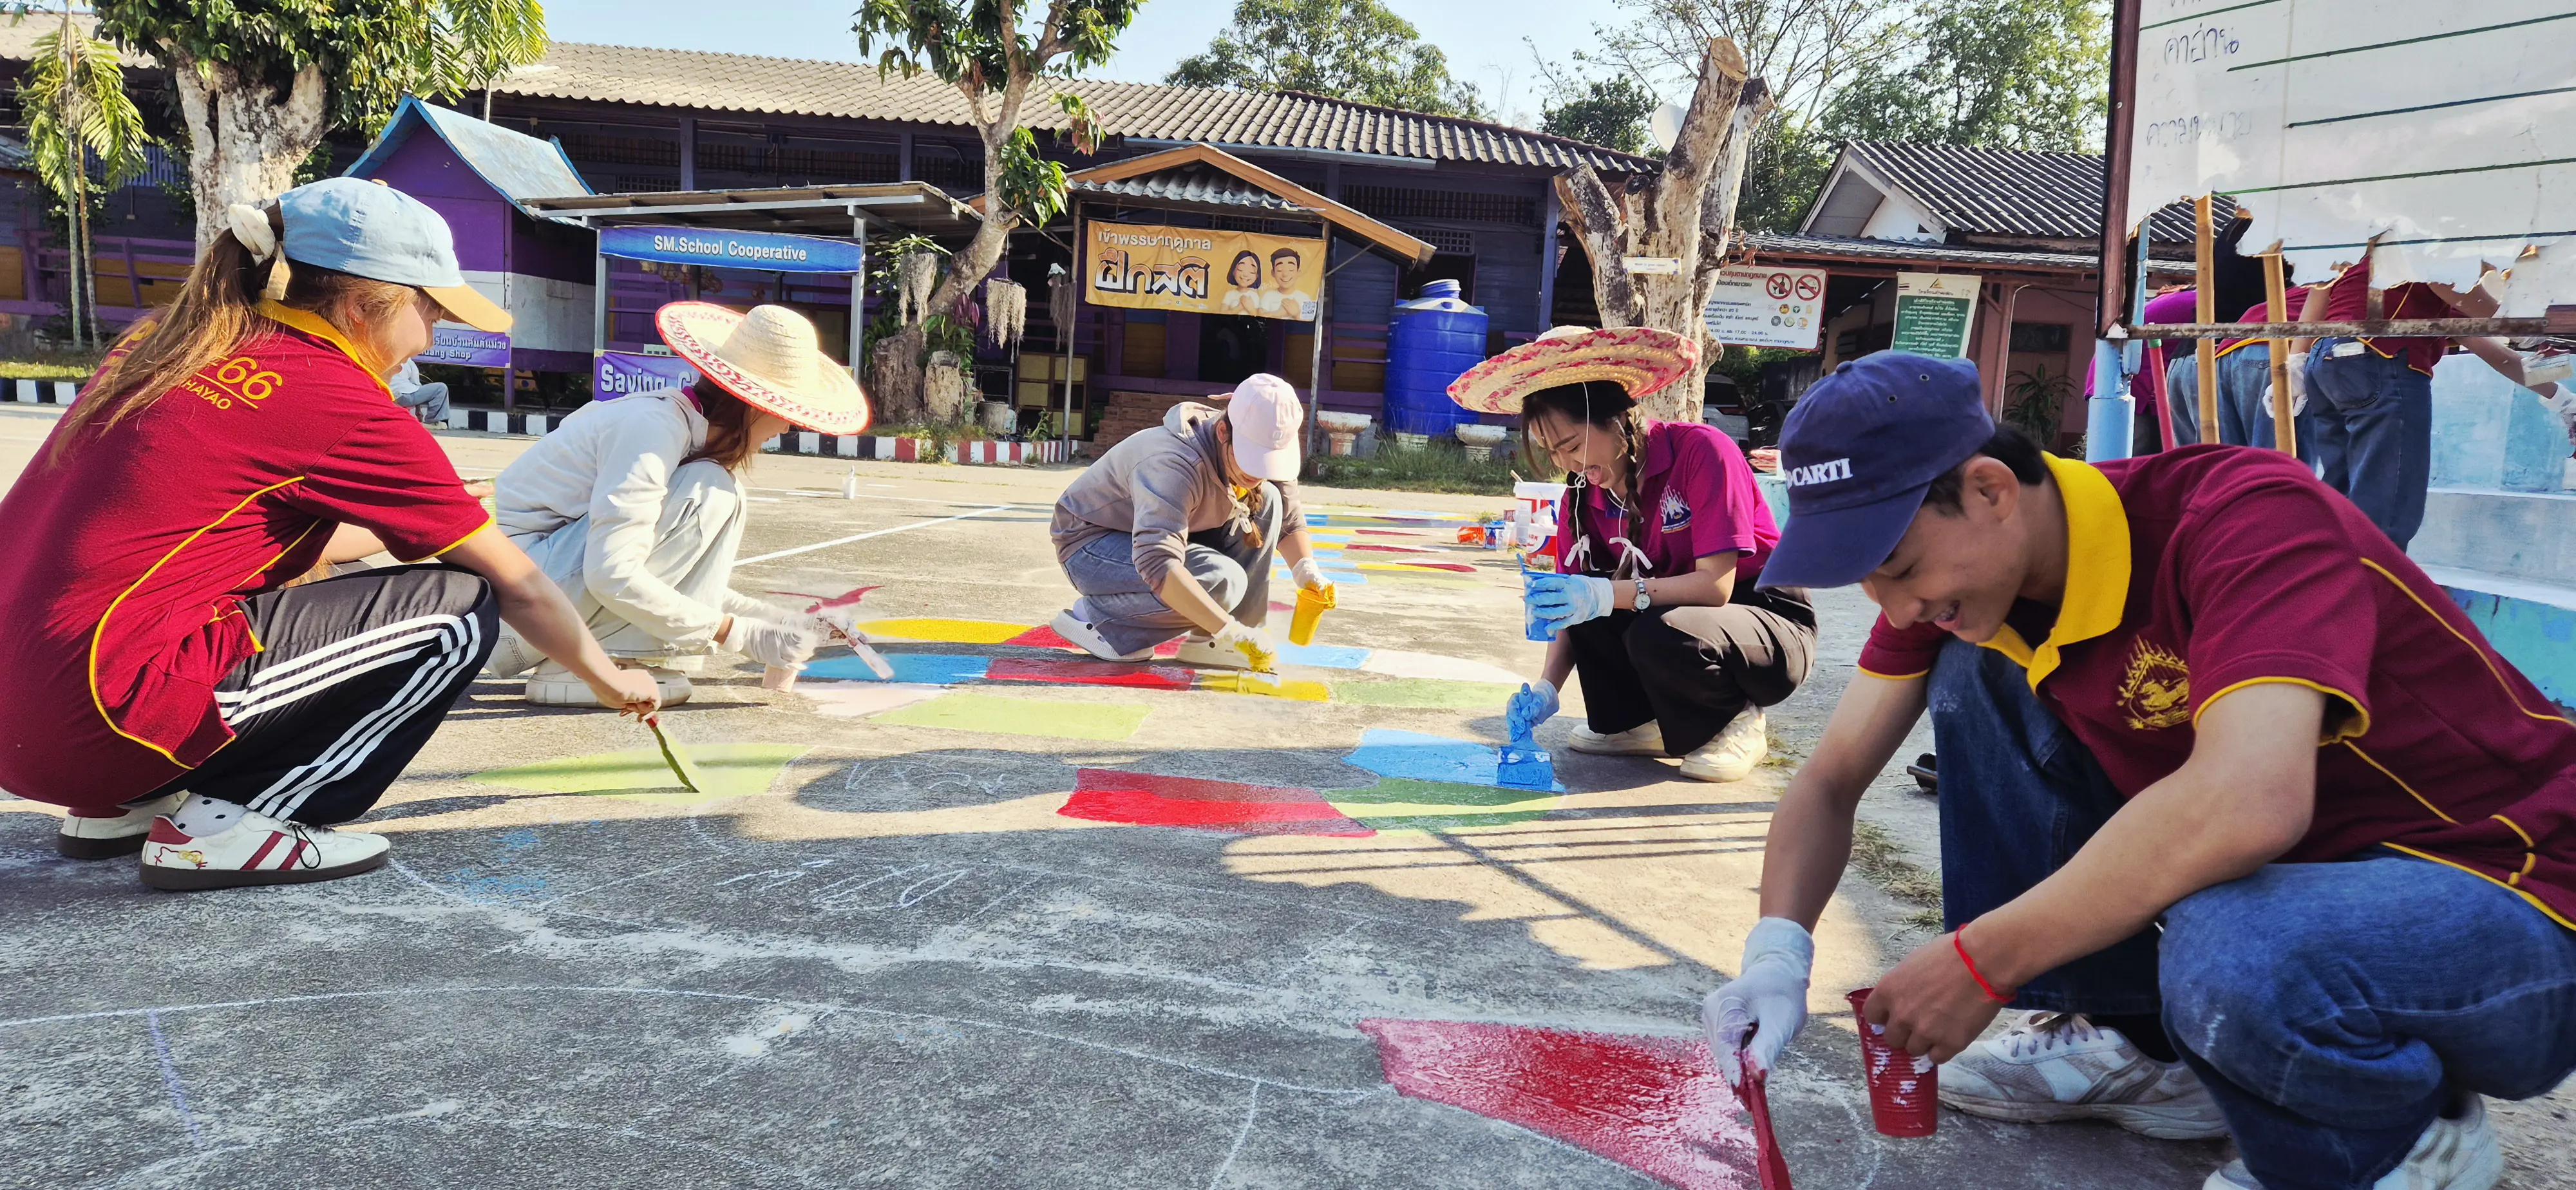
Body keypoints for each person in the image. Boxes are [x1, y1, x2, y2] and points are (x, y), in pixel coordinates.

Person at [1703, 352, 2576, 1190]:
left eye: (1899, 568)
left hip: (2512, 897)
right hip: (2312, 887)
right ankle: (2145, 1045)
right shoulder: (1972, 588)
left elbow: (2248, 805)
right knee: (1973, 664)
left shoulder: (2246, 518)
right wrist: (1778, 954)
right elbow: (1831, 780)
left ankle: (2399, 1140)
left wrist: (1982, 959)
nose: (1897, 610)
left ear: (1991, 489)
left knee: (2238, 951)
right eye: (1870, 583)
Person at [0, 178, 662, 890]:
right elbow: (521, 587)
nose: (430, 338)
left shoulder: (166, 342)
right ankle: (233, 825)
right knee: (459, 611)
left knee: (218, 592)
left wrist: (415, 518)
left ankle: (122, 804)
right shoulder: (338, 398)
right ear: (360, 307)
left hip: (28, 728)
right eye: (430, 311)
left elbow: (230, 530)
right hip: (102, 718)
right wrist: (610, 679)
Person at [1449, 326, 1813, 782]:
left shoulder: (1702, 452)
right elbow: (1571, 605)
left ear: (1617, 418)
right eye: (1552, 452)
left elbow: (1716, 588)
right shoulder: (1580, 497)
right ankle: (1642, 722)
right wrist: (1547, 688)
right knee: (1591, 609)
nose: (1568, 465)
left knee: (1657, 628)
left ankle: (1735, 721)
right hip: (1673, 617)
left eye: (1572, 445)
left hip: (1758, 623)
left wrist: (1603, 595)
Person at [486, 302, 870, 706]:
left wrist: (783, 623)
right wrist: (740, 635)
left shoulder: (676, 430)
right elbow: (612, 573)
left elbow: (679, 582)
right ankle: (594, 662)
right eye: (785, 412)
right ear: (754, 406)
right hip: (514, 618)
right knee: (711, 488)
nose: (788, 426)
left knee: (717, 488)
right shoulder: (653, 430)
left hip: (532, 597)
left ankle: (608, 653)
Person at [1048, 373, 1331, 669]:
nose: (1259, 472)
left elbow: (1289, 519)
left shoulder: (1262, 436)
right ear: (1223, 431)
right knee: (1222, 579)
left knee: (1268, 499)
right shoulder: (1172, 463)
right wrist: (1229, 630)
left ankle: (1211, 643)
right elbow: (1158, 561)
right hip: (1090, 546)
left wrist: (1307, 570)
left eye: (1268, 460)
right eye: (1252, 459)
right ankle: (1102, 619)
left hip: (1154, 537)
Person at [2295, 254, 2561, 549]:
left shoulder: (2368, 256)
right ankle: (2374, 576)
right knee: (2388, 507)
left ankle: (2327, 571)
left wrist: (2562, 396)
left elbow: (2499, 355)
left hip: (2327, 363)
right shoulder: (2434, 253)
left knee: (2342, 496)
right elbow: (2447, 281)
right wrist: (2515, 322)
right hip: (2381, 357)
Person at [1260, 247, 1316, 321]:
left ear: (1298, 272)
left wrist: (1297, 314)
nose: (1285, 274)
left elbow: (1311, 320)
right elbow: (1260, 318)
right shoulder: (1268, 296)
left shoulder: (1306, 297)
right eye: (1280, 270)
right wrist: (1280, 313)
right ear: (1273, 273)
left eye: (1291, 270)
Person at [390, 357, 450, 425]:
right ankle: (434, 422)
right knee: (441, 388)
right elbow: (417, 386)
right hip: (405, 396)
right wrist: (418, 411)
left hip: (390, 396)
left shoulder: (387, 360)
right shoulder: (408, 362)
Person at [1217, 251, 1264, 315]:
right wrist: (1239, 307)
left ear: (1257, 276)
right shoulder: (1230, 294)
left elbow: (1259, 316)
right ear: (1233, 271)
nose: (1245, 275)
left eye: (1252, 272)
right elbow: (1222, 314)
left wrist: (1251, 309)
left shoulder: (1255, 296)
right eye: (1240, 269)